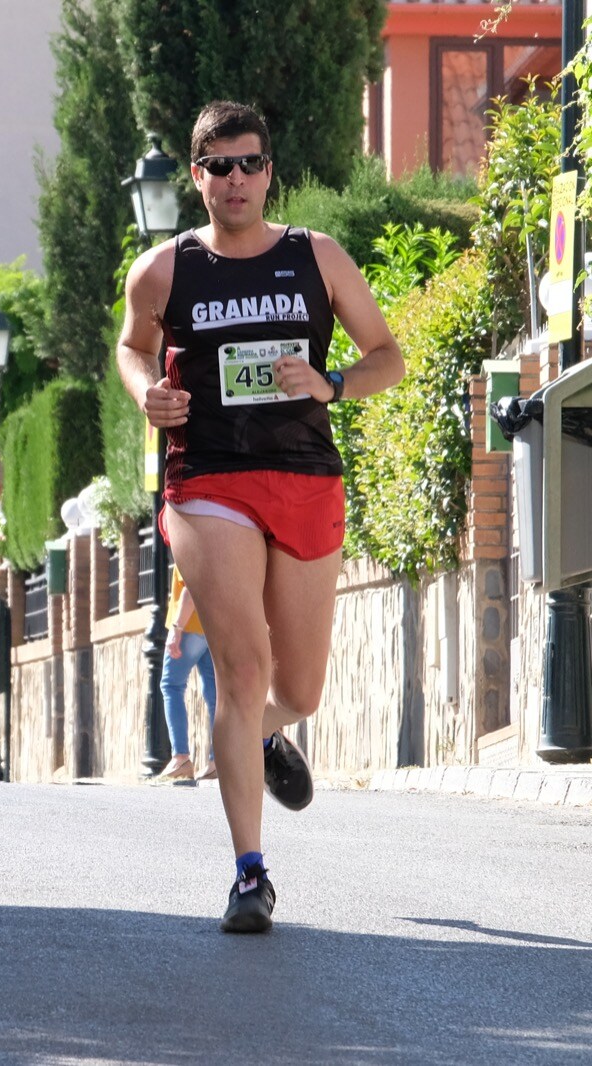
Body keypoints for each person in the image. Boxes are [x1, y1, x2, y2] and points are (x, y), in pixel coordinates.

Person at [116, 101, 403, 933]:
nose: (235, 179)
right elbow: (133, 348)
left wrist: (334, 383)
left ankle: (262, 737)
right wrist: (150, 394)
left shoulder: (316, 256)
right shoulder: (165, 270)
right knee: (241, 672)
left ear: (270, 171)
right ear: (196, 177)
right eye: (219, 166)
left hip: (306, 475)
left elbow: (388, 356)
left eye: (250, 163)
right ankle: (250, 874)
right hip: (209, 479)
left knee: (299, 690)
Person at [157, 565, 217, 782]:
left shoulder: (188, 534)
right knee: (213, 693)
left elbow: (190, 589)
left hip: (191, 626)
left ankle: (180, 757)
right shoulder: (216, 537)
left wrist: (176, 628)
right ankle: (216, 761)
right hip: (212, 625)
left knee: (171, 686)